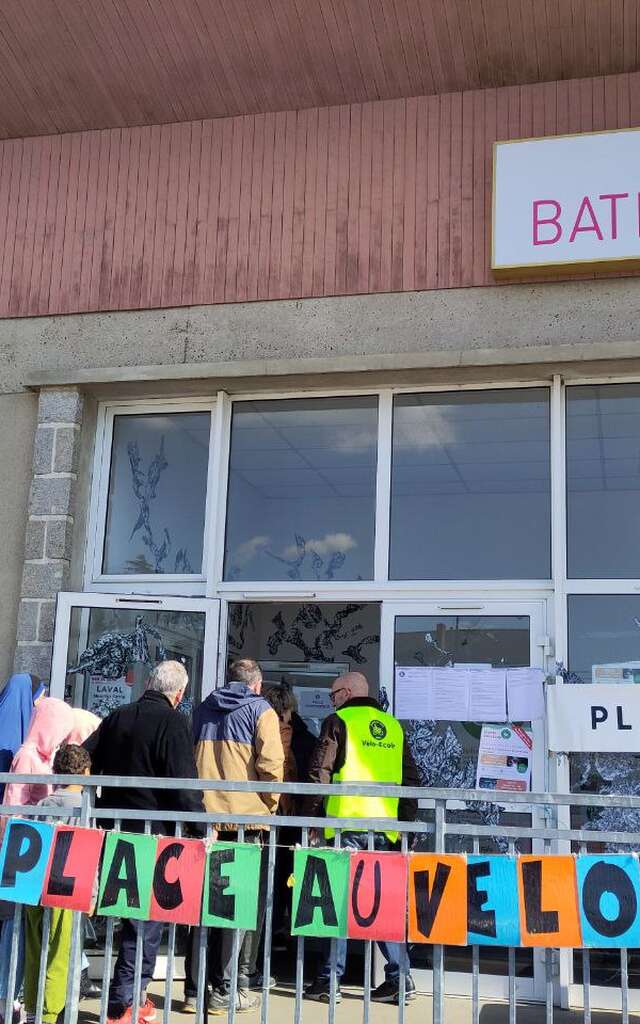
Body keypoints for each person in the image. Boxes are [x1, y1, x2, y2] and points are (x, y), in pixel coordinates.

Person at [83, 661, 205, 1024]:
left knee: (124, 917)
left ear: (150, 683)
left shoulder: (118, 715)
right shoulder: (174, 722)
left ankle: (127, 996)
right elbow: (184, 786)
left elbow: (87, 760)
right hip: (155, 837)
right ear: (179, 694)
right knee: (146, 921)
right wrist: (200, 829)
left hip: (114, 832)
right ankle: (124, 1002)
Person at [302, 671, 419, 1006]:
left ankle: (329, 980)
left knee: (335, 904)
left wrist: (309, 817)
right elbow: (411, 778)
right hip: (385, 831)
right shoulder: (393, 727)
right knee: (381, 905)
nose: (331, 699)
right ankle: (400, 978)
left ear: (348, 692)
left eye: (333, 693)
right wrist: (405, 828)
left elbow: (319, 771)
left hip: (345, 828)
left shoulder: (338, 721)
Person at [187, 658, 284, 1016]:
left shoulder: (200, 710)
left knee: (202, 910)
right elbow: (273, 767)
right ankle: (224, 989)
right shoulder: (262, 711)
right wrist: (268, 808)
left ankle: (194, 989)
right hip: (245, 823)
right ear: (256, 684)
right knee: (236, 910)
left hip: (206, 822)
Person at [0, 698, 75, 1024]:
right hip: (24, 853)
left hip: (39, 853)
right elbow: (13, 805)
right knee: (16, 929)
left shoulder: (41, 757)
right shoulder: (28, 757)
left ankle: (27, 998)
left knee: (36, 930)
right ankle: (7, 997)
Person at [23, 744, 93, 1024]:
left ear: (55, 772)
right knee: (59, 955)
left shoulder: (42, 805)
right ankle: (51, 1013)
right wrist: (92, 894)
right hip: (68, 891)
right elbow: (91, 853)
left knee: (34, 951)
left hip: (35, 888)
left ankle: (32, 1009)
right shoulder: (84, 809)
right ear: (87, 772)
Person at [262, 685, 315, 950]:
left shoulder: (257, 734)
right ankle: (294, 942)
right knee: (293, 880)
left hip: (267, 818)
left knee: (268, 880)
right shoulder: (306, 739)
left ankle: (267, 936)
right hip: (296, 820)